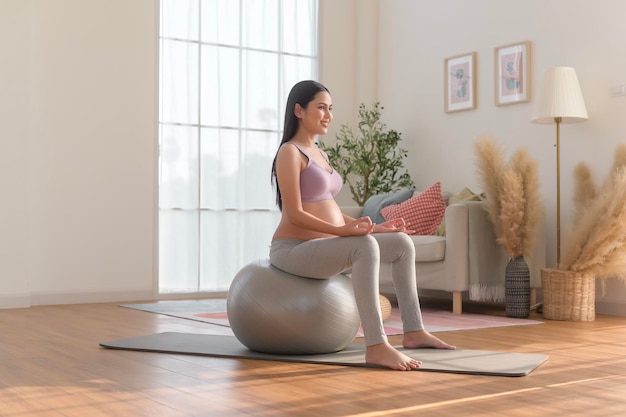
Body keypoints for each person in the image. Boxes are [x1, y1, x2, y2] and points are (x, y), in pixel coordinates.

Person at [269, 80, 455, 371]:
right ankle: (377, 346)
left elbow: (329, 209)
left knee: (402, 243)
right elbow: (294, 215)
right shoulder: (290, 153)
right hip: (294, 250)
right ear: (298, 110)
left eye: (330, 108)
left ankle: (414, 331)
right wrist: (346, 233)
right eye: (321, 107)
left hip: (325, 246)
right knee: (363, 246)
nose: (328, 115)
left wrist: (376, 227)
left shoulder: (321, 153)